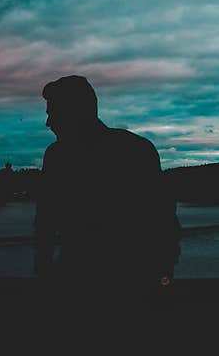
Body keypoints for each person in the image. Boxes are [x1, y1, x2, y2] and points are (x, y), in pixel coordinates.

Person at [34, 75, 180, 294]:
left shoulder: (56, 157)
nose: (48, 123)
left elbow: (45, 224)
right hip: (133, 281)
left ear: (74, 113)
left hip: (80, 282)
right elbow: (164, 223)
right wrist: (163, 277)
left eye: (53, 113)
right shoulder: (137, 149)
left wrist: (45, 271)